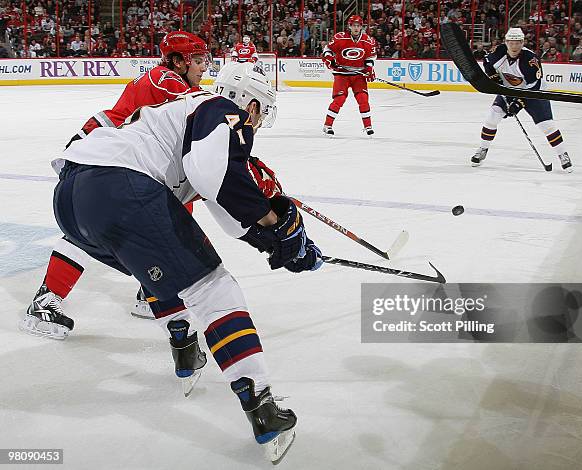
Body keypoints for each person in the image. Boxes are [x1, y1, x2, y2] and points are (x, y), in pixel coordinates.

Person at [40, 61, 321, 462]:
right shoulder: (220, 108)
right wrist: (278, 225)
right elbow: (212, 178)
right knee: (213, 287)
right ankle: (262, 408)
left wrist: (273, 242)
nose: (257, 120)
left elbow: (223, 206)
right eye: (260, 108)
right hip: (121, 184)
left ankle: (185, 347)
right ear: (248, 101)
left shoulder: (186, 114)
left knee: (164, 272)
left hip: (71, 198)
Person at [23, 31, 212, 334]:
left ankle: (150, 292)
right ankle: (45, 301)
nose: (204, 67)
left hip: (112, 157)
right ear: (178, 61)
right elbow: (203, 111)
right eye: (198, 60)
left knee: (167, 219)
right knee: (98, 229)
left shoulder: (163, 79)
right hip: (102, 161)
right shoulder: (167, 80)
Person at [471, 27, 572, 172]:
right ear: (506, 42)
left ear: (522, 42)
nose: (514, 46)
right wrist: (494, 77)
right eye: (511, 42)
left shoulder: (530, 59)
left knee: (547, 126)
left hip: (535, 93)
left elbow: (534, 86)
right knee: (492, 117)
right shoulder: (498, 52)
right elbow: (487, 62)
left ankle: (563, 154)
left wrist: (518, 104)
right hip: (508, 91)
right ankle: (482, 149)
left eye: (518, 42)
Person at [321, 15, 377, 136]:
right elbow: (327, 49)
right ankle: (327, 125)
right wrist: (329, 58)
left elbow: (370, 56)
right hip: (342, 74)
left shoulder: (367, 40)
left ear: (361, 27)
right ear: (349, 26)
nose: (356, 28)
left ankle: (368, 126)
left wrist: (369, 68)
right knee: (339, 99)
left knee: (363, 99)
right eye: (354, 25)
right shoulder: (340, 38)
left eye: (358, 25)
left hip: (359, 74)